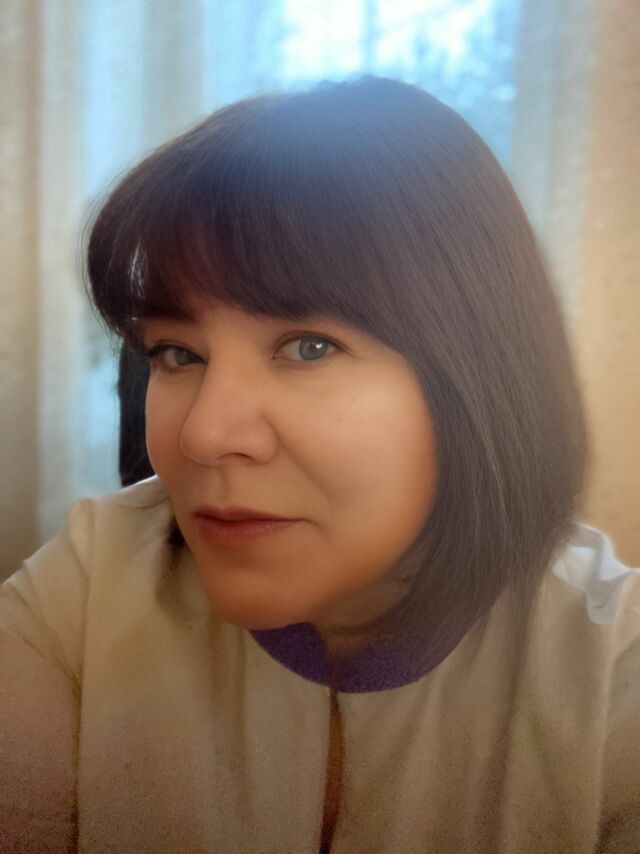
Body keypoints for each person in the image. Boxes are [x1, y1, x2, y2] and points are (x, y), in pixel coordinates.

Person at [1, 75, 638, 854]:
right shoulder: (89, 589)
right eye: (177, 353)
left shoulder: (611, 671)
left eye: (309, 347)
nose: (204, 435)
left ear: (480, 376)